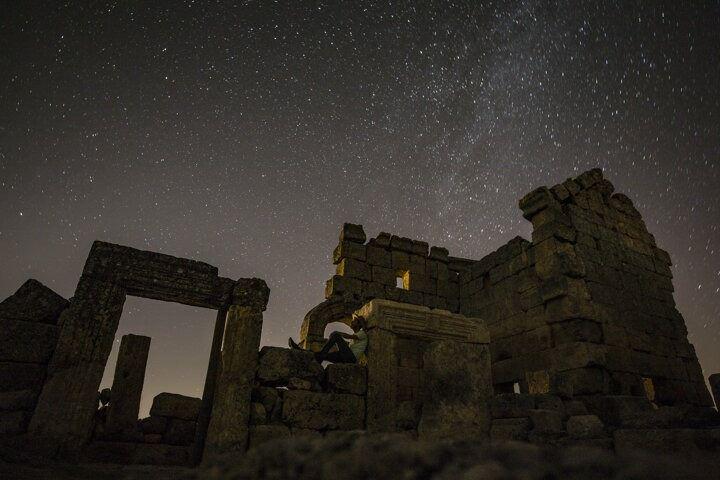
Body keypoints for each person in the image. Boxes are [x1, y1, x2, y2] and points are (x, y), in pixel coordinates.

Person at [289, 315, 367, 363]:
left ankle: (321, 355)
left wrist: (337, 334)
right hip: (346, 357)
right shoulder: (356, 336)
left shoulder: (362, 333)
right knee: (321, 355)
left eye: (354, 321)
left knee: (336, 336)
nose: (352, 322)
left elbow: (348, 336)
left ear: (359, 324)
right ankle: (300, 351)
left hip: (351, 358)